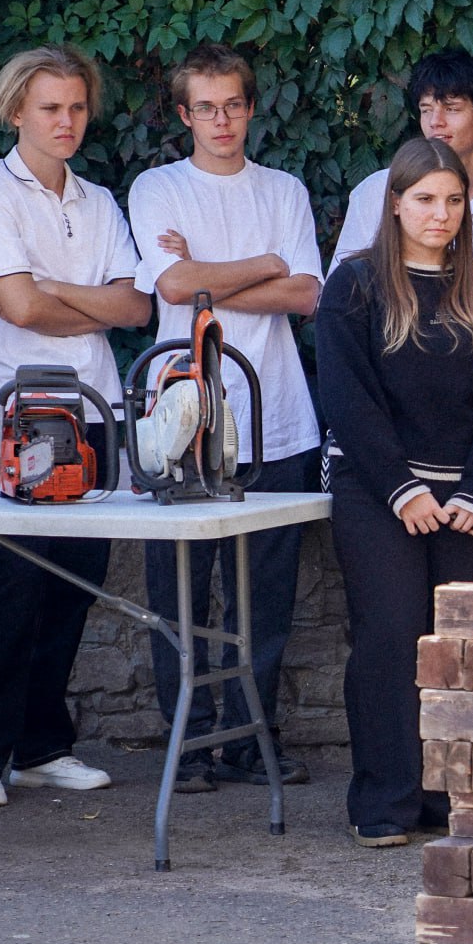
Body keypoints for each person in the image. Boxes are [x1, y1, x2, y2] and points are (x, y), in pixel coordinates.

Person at [0, 45, 150, 810]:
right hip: (17, 413)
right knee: (14, 586)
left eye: (75, 107)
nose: (66, 122)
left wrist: (57, 288)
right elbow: (16, 308)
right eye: (49, 109)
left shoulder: (98, 201)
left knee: (74, 589)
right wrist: (83, 298)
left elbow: (135, 308)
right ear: (15, 113)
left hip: (96, 415)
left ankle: (39, 748)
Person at [316, 137, 473, 846]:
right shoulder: (354, 287)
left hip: (469, 504)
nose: (441, 215)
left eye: (453, 201)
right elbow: (348, 399)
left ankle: (450, 798)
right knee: (390, 639)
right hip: (380, 494)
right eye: (425, 200)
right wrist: (401, 487)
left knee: (462, 649)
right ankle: (385, 803)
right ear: (397, 203)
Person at [127, 42, 325, 792]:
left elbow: (307, 295)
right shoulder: (157, 187)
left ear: (250, 107)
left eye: (233, 104)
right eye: (205, 107)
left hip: (277, 415)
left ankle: (251, 740)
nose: (221, 120)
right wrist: (264, 264)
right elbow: (172, 286)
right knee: (181, 591)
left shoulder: (283, 189)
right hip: (181, 421)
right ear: (184, 114)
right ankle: (193, 742)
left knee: (264, 595)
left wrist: (213, 277)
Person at [329, 50, 473, 301]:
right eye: (426, 109)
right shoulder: (376, 192)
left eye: (451, 108)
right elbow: (340, 299)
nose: (435, 121)